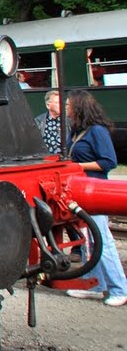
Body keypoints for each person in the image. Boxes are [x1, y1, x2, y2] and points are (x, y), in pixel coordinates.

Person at [64, 90, 127, 307]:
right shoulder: (76, 131)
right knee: (89, 240)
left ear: (78, 107)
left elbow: (108, 161)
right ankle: (95, 285)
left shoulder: (97, 131)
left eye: (68, 104)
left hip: (93, 189)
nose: (66, 107)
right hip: (80, 190)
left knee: (102, 240)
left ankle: (119, 288)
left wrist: (77, 166)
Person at [35, 90, 63, 155]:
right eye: (57, 102)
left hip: (65, 159)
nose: (61, 105)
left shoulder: (69, 120)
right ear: (48, 105)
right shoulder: (39, 121)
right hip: (45, 159)